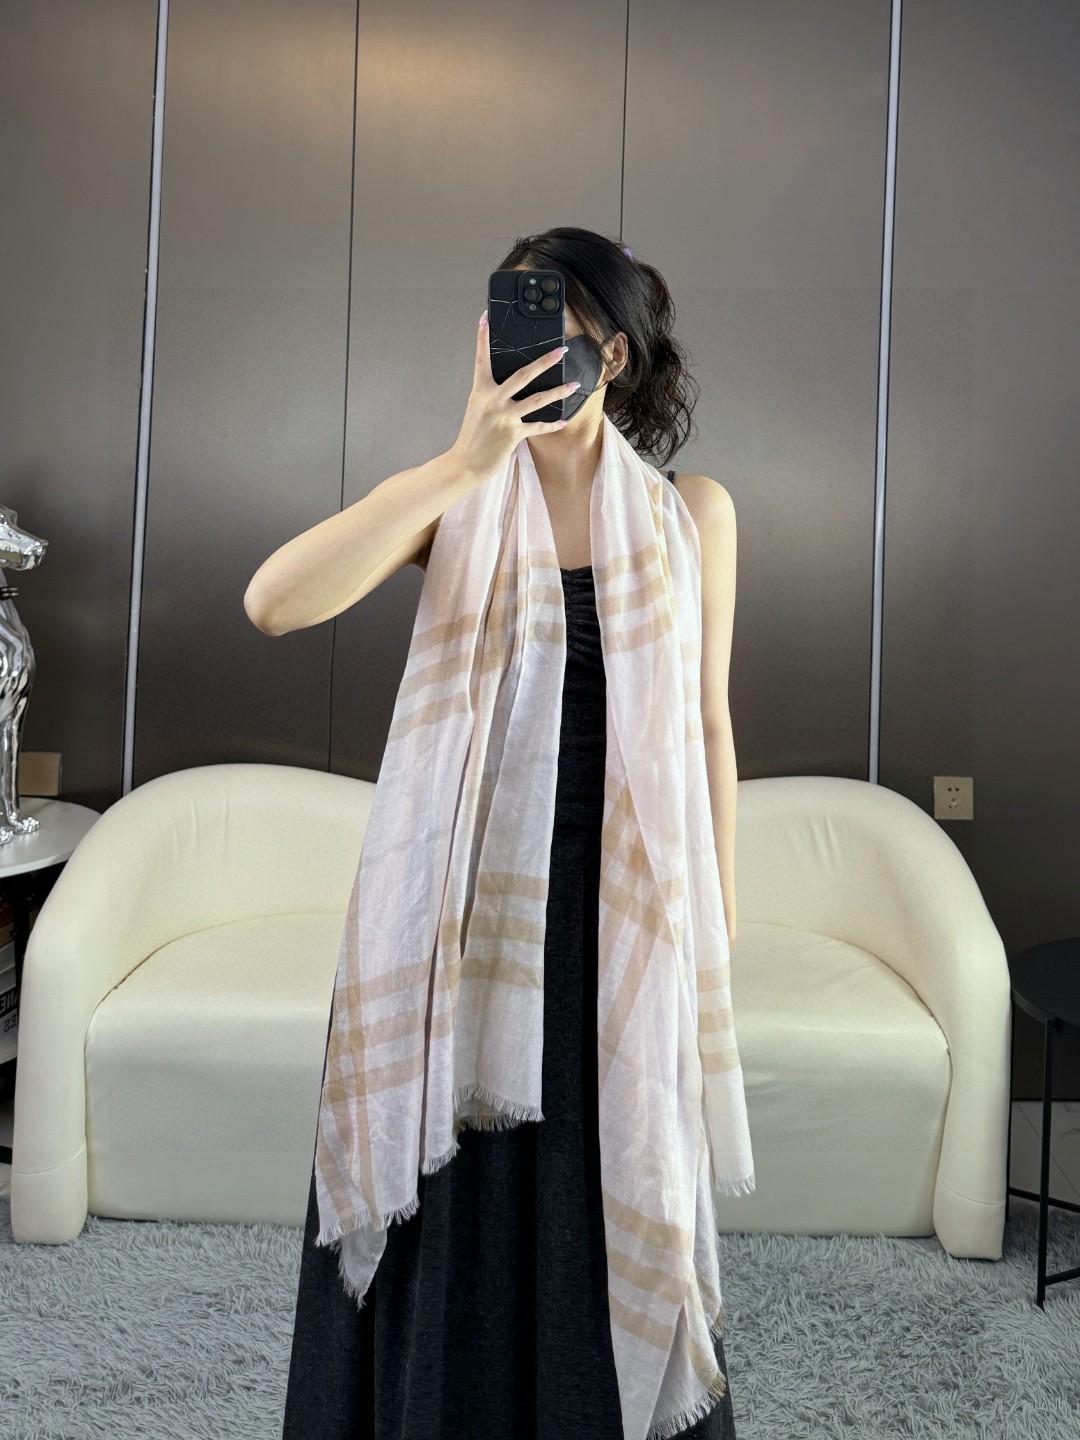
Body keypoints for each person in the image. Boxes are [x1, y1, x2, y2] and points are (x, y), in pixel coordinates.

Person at [247, 226, 741, 1439]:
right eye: (504, 331)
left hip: (619, 924)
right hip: (461, 927)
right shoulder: (454, 500)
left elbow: (707, 727)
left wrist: (715, 944)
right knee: (457, 1219)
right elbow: (273, 603)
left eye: (551, 337)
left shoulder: (693, 514)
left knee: (606, 1210)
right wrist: (460, 463)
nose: (518, 360)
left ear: (610, 356)